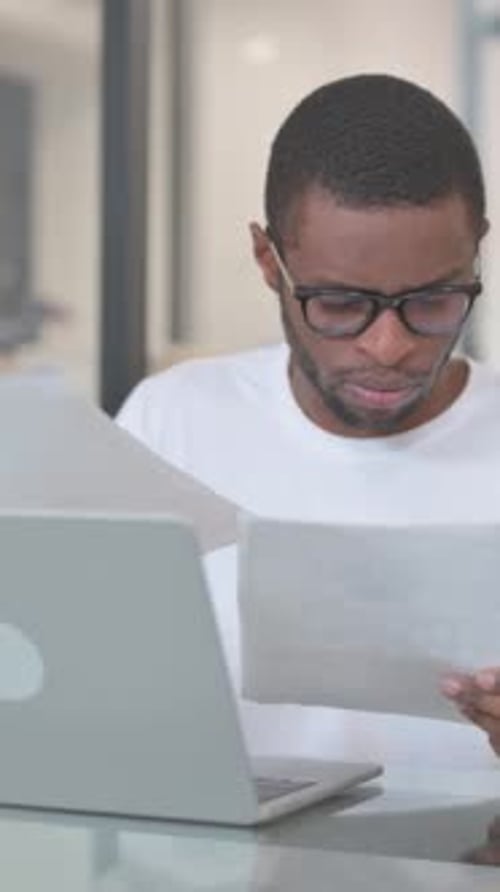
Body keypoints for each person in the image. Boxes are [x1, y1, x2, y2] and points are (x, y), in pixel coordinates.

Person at [117, 74, 500, 764]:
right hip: (218, 837)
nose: (389, 347)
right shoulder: (171, 421)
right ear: (270, 262)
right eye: (341, 304)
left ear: (477, 251)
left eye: (434, 301)